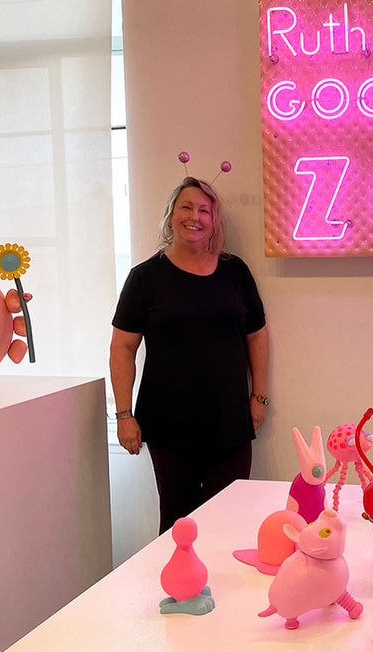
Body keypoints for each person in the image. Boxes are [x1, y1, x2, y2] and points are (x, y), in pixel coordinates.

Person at [109, 176, 269, 534]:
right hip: (169, 426)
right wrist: (123, 415)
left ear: (214, 220)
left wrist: (259, 396)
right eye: (185, 207)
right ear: (170, 216)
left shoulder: (234, 272)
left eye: (204, 210)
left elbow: (257, 337)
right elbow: (122, 347)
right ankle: (178, 591)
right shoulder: (145, 278)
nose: (194, 216)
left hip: (231, 422)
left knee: (226, 523)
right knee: (177, 525)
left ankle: (220, 592)